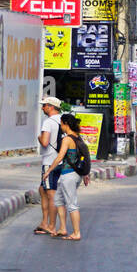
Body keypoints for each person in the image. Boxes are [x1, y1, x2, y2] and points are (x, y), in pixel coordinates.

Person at [43, 114, 90, 241]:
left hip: (69, 175)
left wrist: (48, 171)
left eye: (61, 124)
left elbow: (59, 157)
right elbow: (84, 156)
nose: (61, 127)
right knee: (58, 199)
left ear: (65, 124)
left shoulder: (67, 139)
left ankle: (76, 233)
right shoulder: (77, 137)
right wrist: (85, 173)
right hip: (72, 175)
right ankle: (62, 228)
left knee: (72, 204)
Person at [34, 96, 62, 235]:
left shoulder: (48, 122)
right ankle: (45, 222)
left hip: (50, 161)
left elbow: (45, 142)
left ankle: (51, 226)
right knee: (42, 189)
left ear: (51, 107)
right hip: (60, 160)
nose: (42, 108)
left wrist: (39, 137)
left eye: (44, 105)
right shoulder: (63, 120)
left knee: (51, 194)